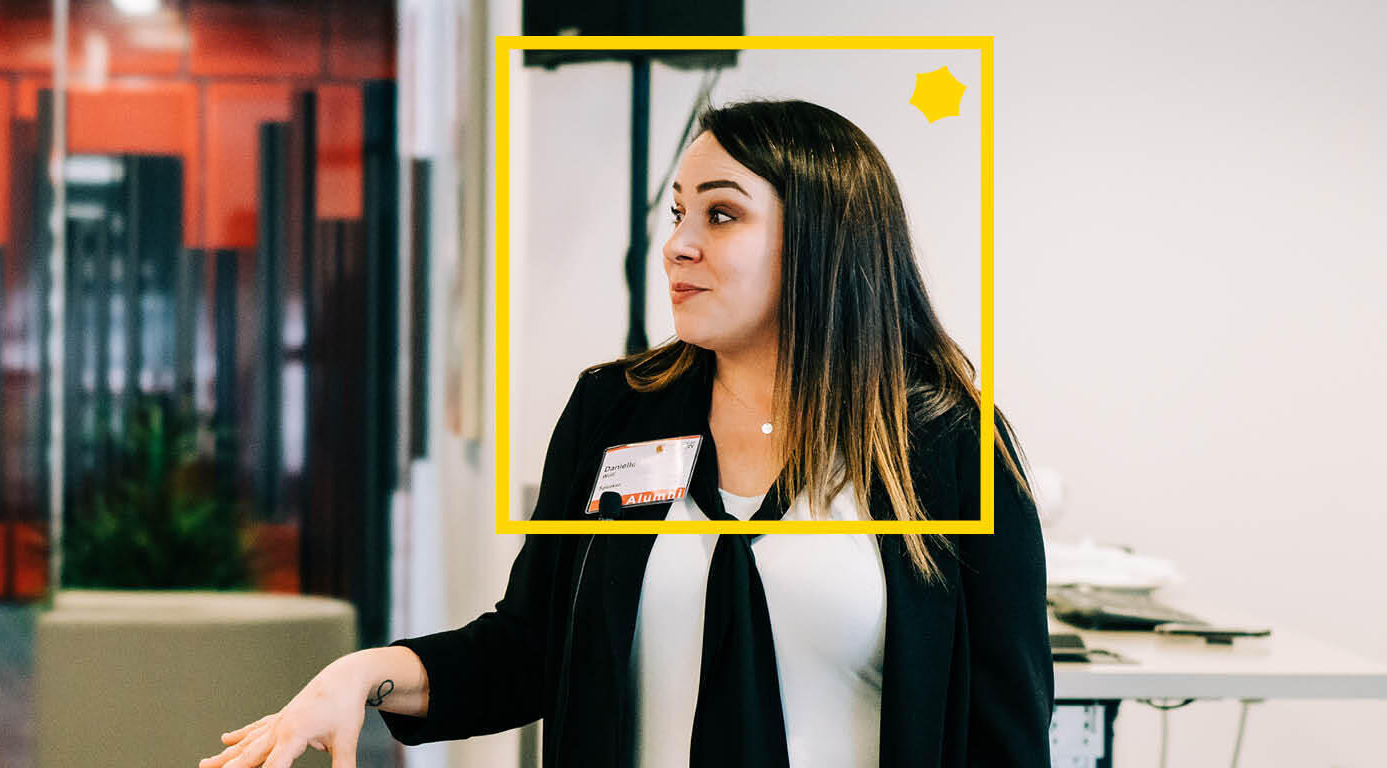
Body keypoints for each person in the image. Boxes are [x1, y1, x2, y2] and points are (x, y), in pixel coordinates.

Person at [199, 98, 1052, 768]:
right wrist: (365, 673)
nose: (677, 245)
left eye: (721, 216)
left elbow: (1007, 735)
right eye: (678, 213)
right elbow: (530, 649)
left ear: (825, 244)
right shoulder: (616, 412)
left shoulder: (946, 447)